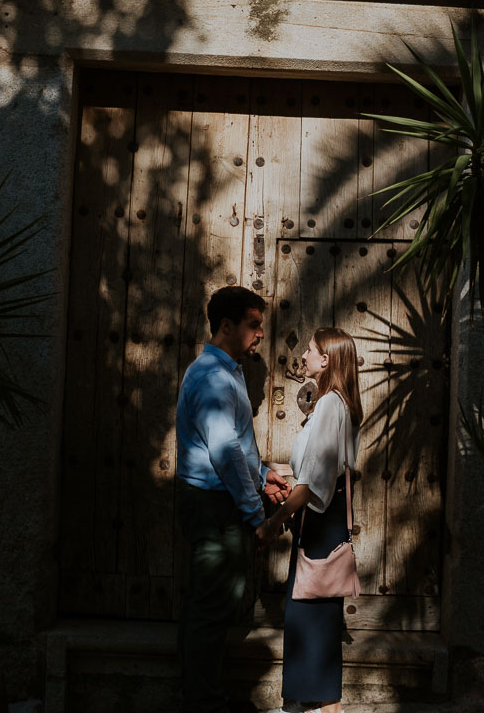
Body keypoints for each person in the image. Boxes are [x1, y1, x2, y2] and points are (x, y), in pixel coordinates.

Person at [176, 285, 293, 713]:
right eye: (253, 324)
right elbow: (224, 452)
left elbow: (236, 444)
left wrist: (264, 475)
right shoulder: (212, 377)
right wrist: (255, 515)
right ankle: (203, 701)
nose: (261, 334)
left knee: (207, 603)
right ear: (227, 326)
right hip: (215, 506)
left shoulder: (228, 371)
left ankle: (198, 693)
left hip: (217, 501)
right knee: (211, 606)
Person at [257, 328, 363, 713]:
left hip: (318, 524)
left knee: (311, 614)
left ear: (328, 359)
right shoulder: (334, 403)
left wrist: (276, 521)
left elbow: (315, 481)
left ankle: (319, 708)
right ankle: (309, 706)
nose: (304, 354)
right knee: (312, 613)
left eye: (312, 349)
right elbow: (313, 467)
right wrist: (271, 468)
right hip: (322, 521)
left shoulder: (331, 404)